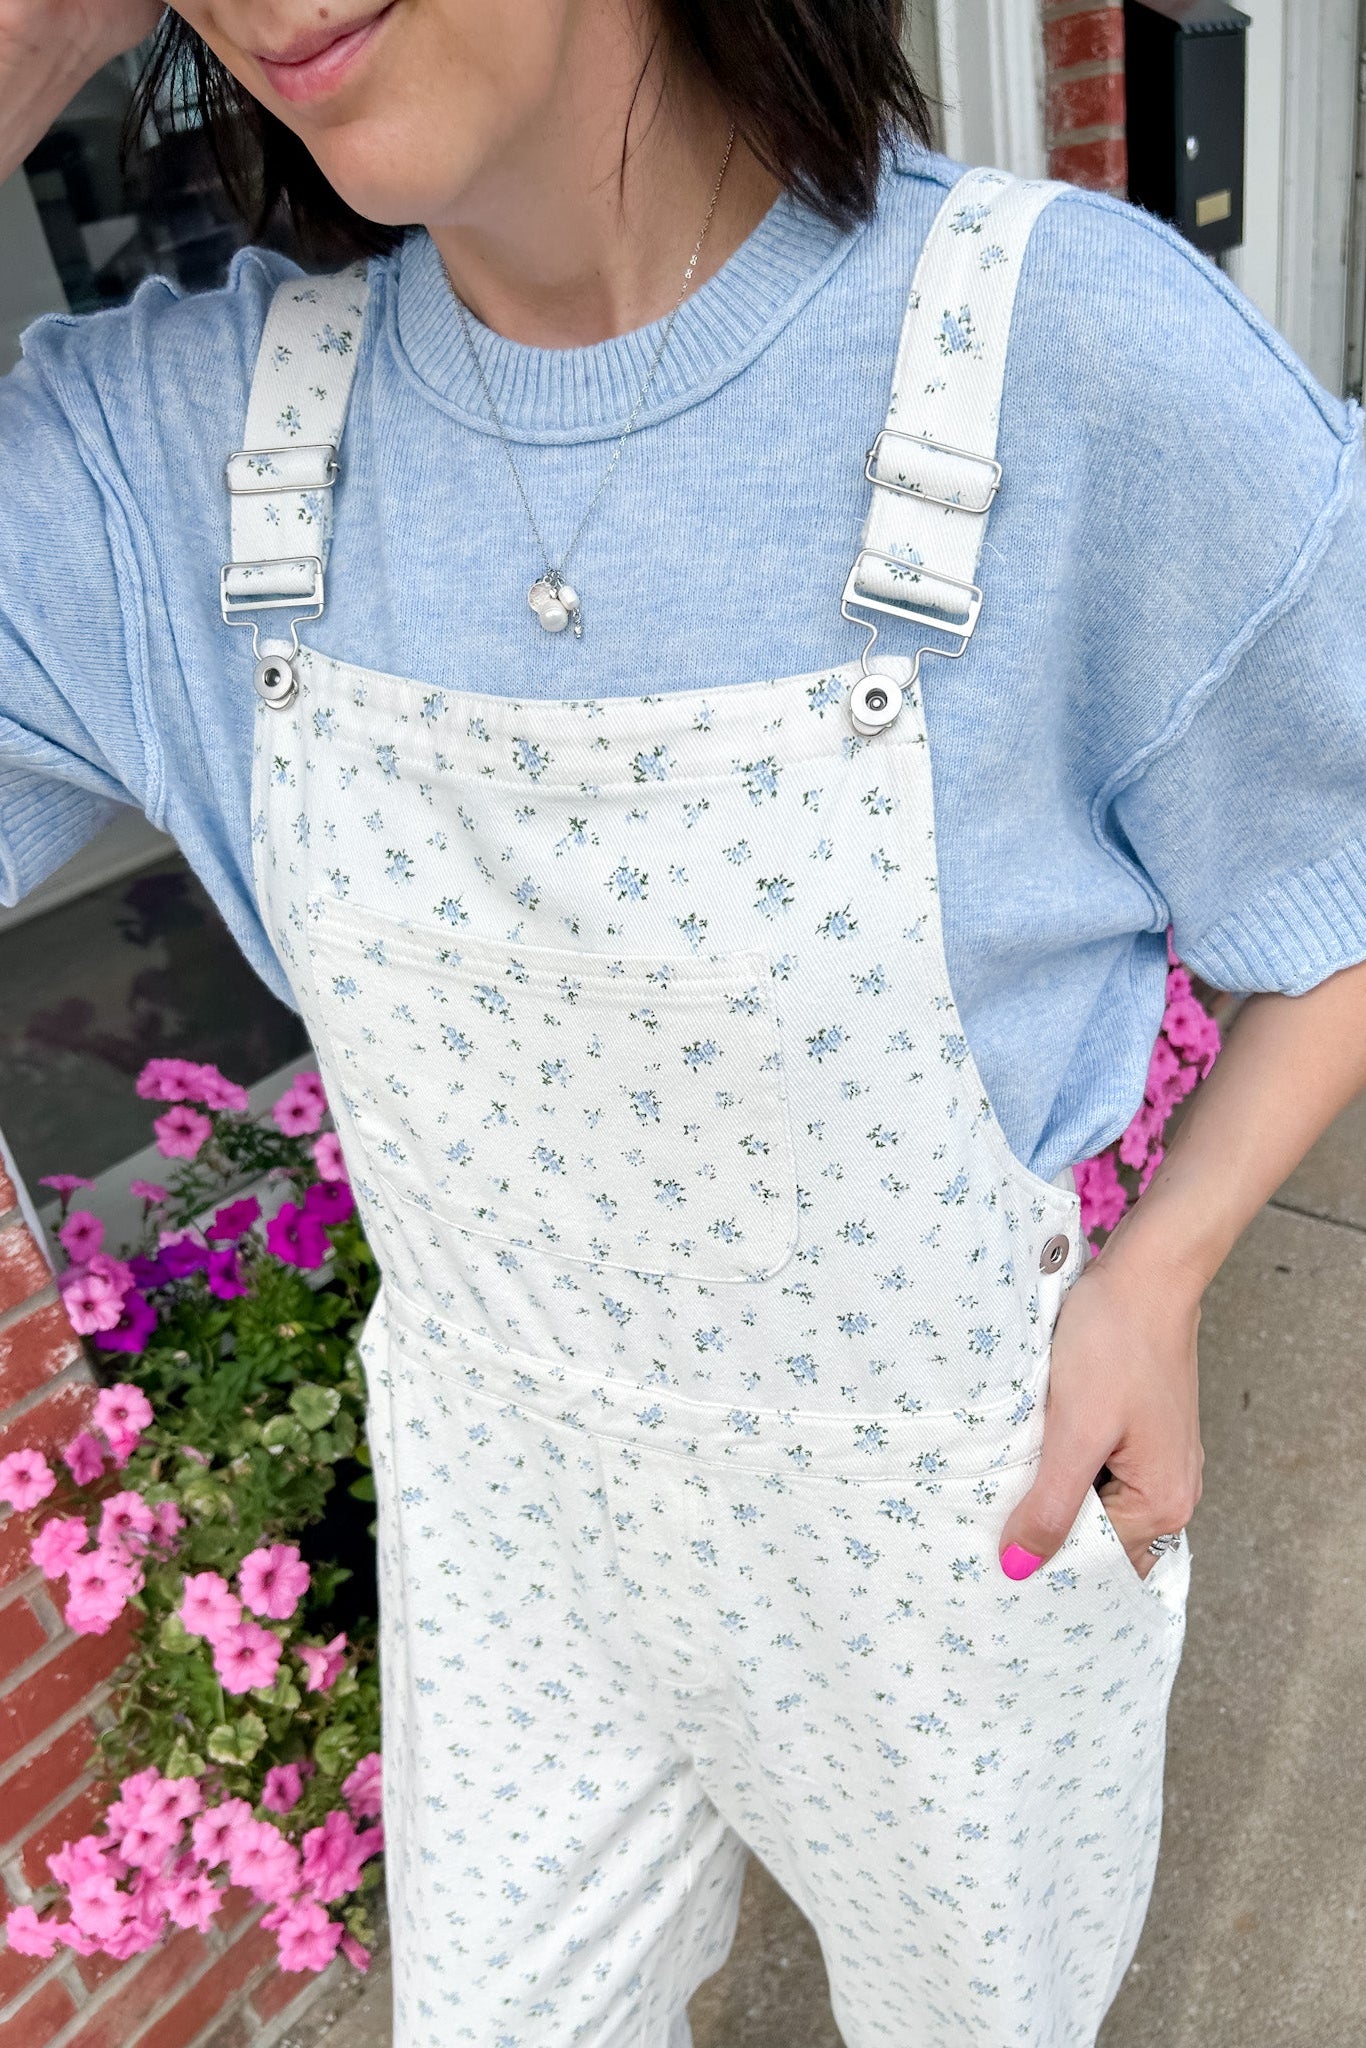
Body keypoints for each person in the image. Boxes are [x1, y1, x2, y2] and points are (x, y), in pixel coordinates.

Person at [4, 3, 1366, 2042]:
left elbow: (1337, 893)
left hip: (943, 1545)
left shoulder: (1065, 361)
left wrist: (1158, 1267)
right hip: (508, 1545)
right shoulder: (172, 466)